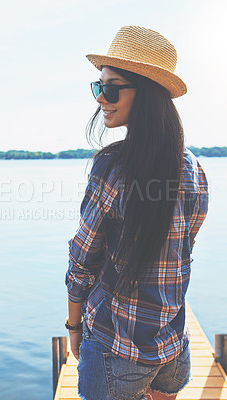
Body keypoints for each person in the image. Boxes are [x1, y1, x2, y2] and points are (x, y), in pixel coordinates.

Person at [65, 26, 209, 400]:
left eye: (111, 88)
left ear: (144, 94)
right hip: (172, 345)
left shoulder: (111, 167)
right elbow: (184, 252)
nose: (100, 99)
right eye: (98, 87)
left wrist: (74, 326)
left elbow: (82, 259)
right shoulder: (194, 169)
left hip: (117, 346)